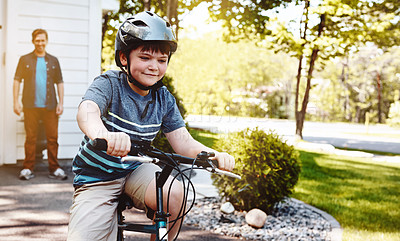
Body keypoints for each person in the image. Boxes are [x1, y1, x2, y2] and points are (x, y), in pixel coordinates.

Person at [67, 11, 235, 241]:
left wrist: (213, 154)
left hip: (136, 169)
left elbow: (183, 141)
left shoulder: (163, 98)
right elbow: (87, 111)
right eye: (145, 58)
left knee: (175, 193)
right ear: (124, 58)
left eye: (162, 60)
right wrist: (104, 135)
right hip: (98, 177)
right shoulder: (109, 84)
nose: (154, 67)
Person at [13, 28, 67, 181]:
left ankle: (54, 168)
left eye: (43, 40)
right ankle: (27, 168)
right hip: (30, 106)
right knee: (31, 137)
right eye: (37, 40)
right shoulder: (25, 60)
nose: (40, 43)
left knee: (52, 138)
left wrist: (61, 103)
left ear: (46, 41)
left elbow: (60, 82)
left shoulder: (53, 60)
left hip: (50, 106)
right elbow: (16, 80)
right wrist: (15, 102)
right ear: (33, 41)